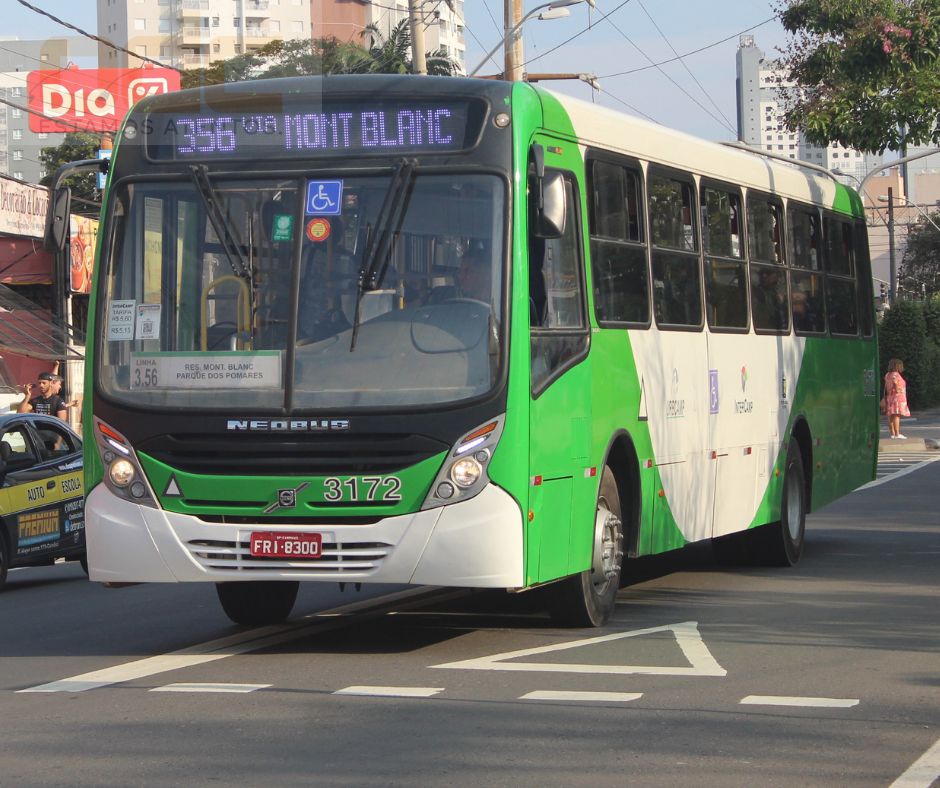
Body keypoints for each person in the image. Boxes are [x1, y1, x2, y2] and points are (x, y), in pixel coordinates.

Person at [884, 358, 911, 439]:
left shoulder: (887, 374)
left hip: (890, 397)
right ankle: (897, 434)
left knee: (890, 416)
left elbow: (885, 387)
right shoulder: (895, 374)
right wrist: (898, 389)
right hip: (897, 397)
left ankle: (892, 434)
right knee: (896, 415)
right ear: (897, 365)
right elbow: (895, 382)